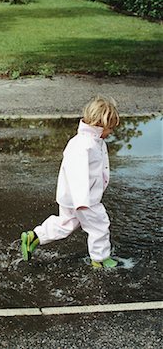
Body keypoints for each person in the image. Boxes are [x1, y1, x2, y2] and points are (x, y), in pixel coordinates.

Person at [21, 96, 120, 268]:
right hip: (83, 199)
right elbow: (77, 174)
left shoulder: (94, 141)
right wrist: (82, 201)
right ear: (100, 124)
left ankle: (34, 237)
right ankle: (100, 259)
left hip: (74, 197)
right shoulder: (83, 145)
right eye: (109, 128)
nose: (110, 132)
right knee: (99, 224)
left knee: (65, 223)